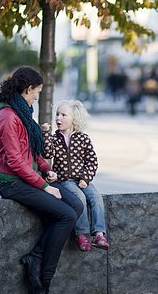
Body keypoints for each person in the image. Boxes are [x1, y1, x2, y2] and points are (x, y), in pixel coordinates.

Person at [0, 66, 83, 294]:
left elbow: (30, 150)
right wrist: (44, 186)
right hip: (12, 183)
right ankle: (43, 280)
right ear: (27, 89)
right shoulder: (8, 117)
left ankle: (35, 257)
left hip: (29, 177)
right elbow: (16, 162)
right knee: (65, 216)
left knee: (76, 206)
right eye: (36, 93)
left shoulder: (22, 112)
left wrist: (45, 167)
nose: (37, 98)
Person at [41, 99, 110, 252]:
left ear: (75, 119)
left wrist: (86, 178)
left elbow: (92, 161)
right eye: (57, 114)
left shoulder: (83, 138)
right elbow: (47, 153)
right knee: (80, 198)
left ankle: (99, 234)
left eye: (64, 115)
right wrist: (45, 134)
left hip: (82, 180)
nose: (58, 118)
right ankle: (81, 234)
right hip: (64, 181)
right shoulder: (54, 139)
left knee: (95, 197)